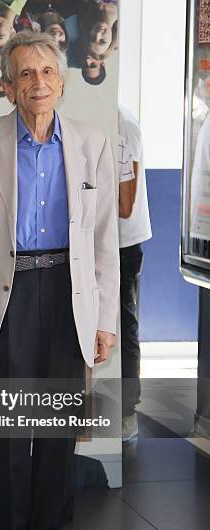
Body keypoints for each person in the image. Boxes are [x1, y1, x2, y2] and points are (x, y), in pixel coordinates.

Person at [0, 30, 119, 530]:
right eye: (24, 73)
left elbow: (102, 242)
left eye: (46, 71)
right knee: (8, 433)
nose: (37, 83)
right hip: (9, 295)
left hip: (68, 298)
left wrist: (104, 319)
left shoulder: (92, 143)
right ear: (7, 85)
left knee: (56, 435)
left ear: (62, 81)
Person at [118, 106, 152, 443]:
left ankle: (127, 413)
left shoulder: (122, 123)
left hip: (123, 244)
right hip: (97, 243)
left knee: (123, 325)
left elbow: (125, 204)